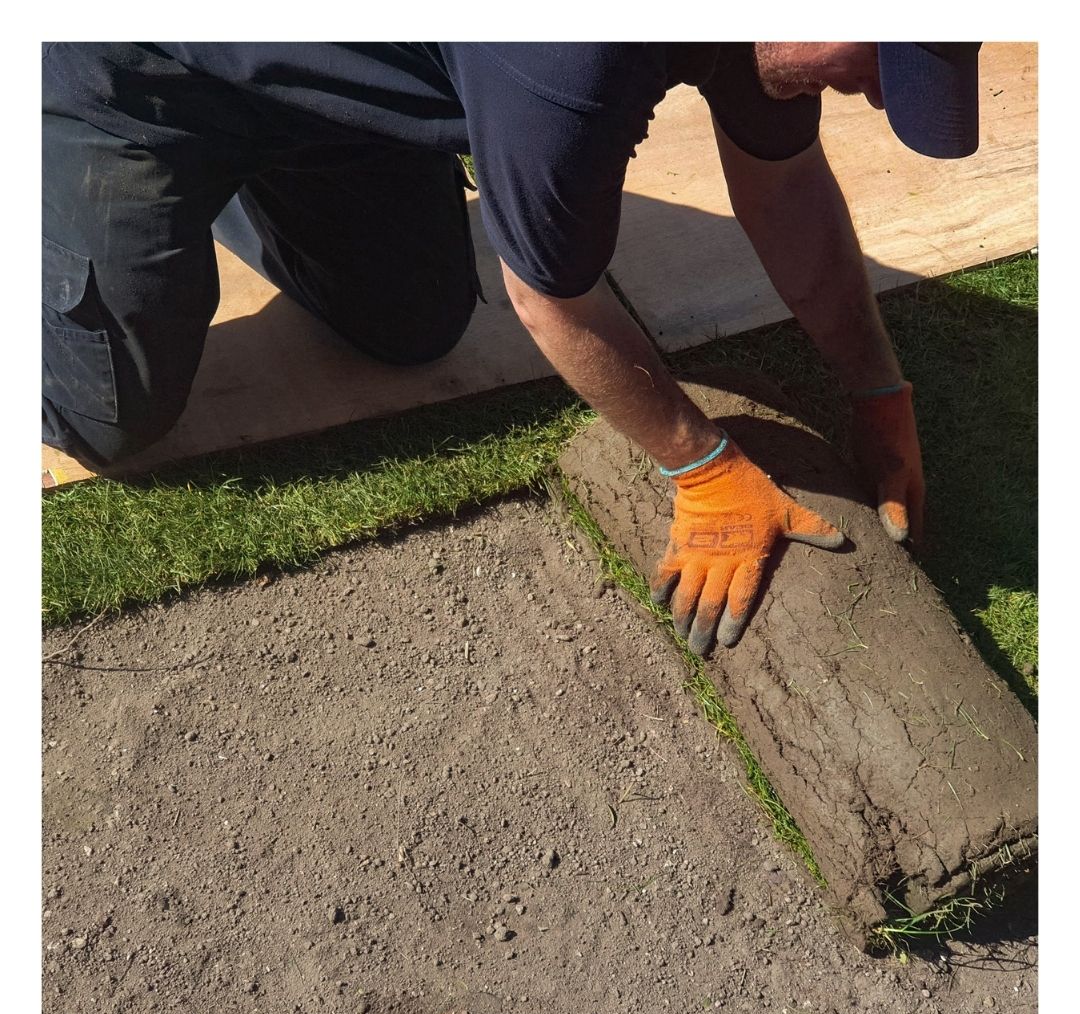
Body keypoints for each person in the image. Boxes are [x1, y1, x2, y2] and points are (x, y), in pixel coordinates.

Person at [41, 42, 981, 654]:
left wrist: (874, 388)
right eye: (881, 59)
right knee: (112, 414)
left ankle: (239, 165)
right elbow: (551, 303)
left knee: (410, 323)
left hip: (318, 87)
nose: (871, 91)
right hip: (133, 75)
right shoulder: (573, 53)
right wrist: (703, 467)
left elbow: (782, 188)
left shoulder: (775, 39)